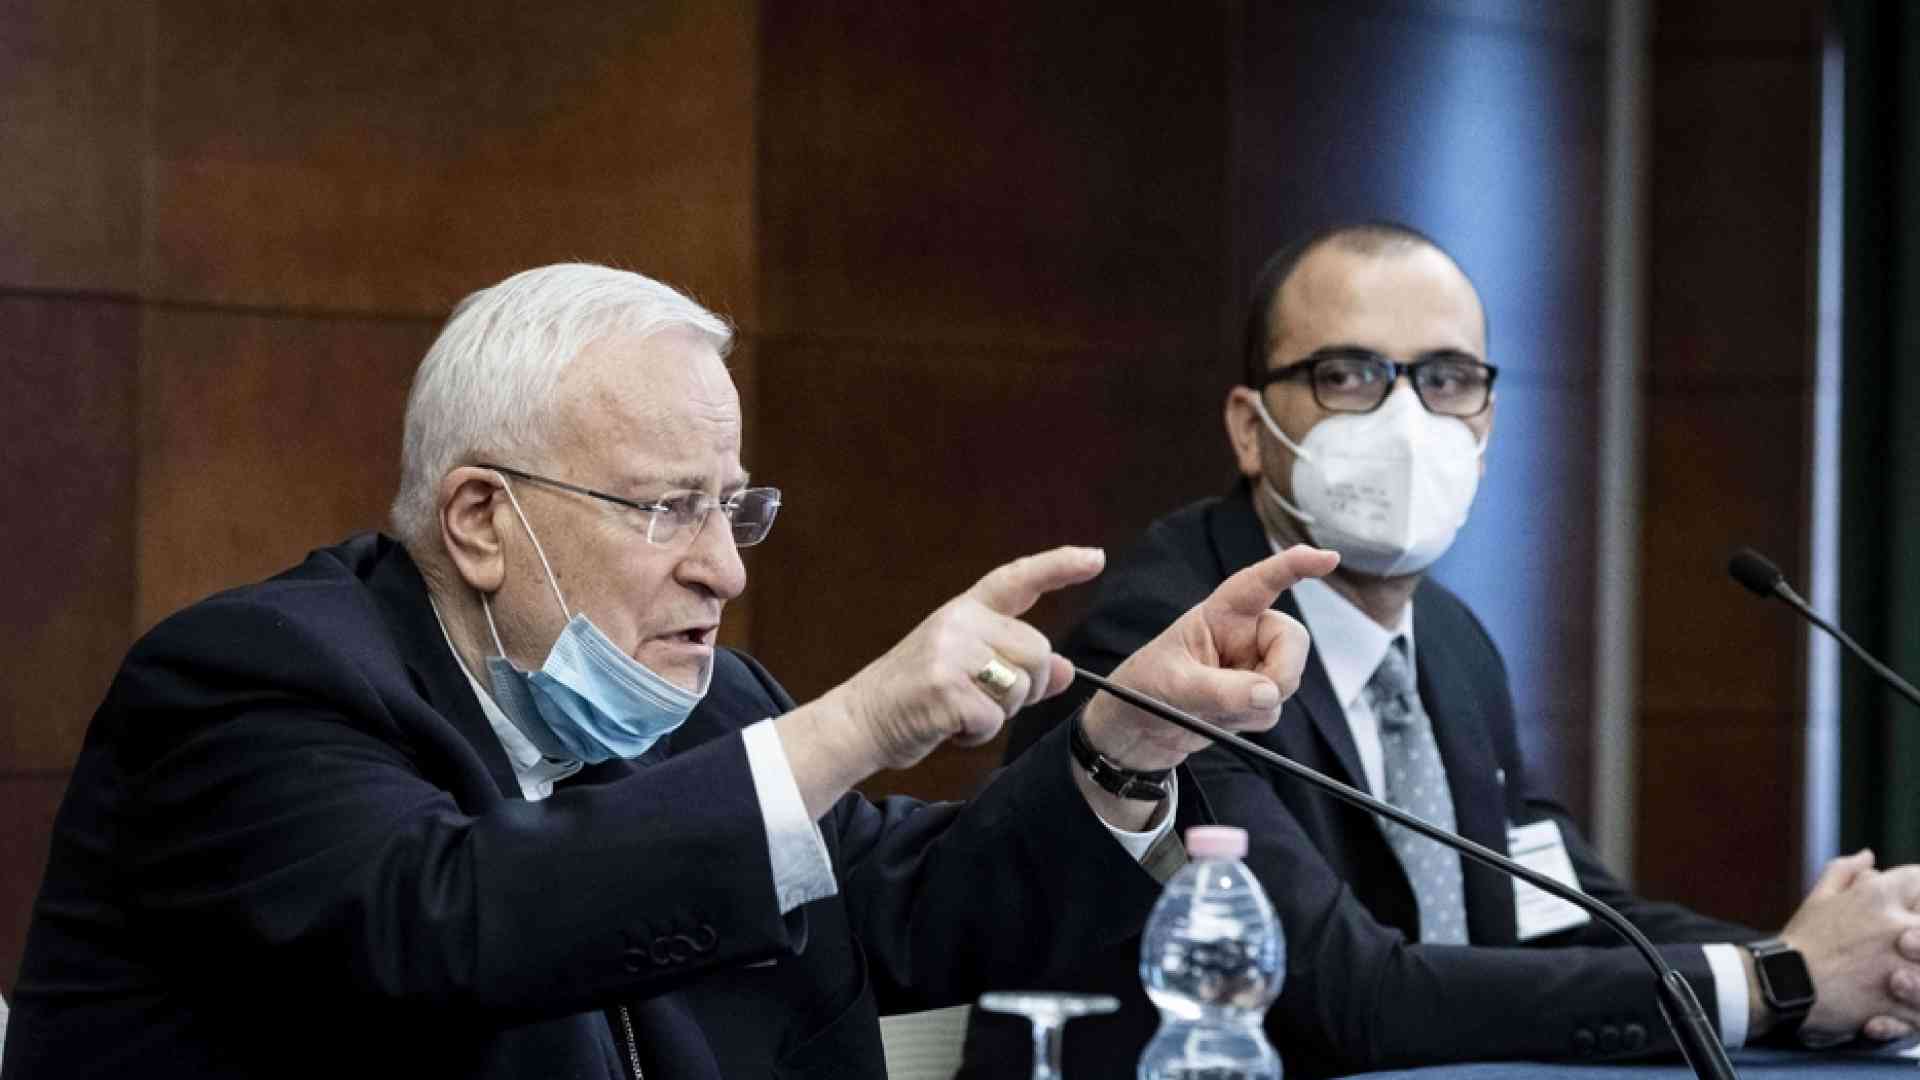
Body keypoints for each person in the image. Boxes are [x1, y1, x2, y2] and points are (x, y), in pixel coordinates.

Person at [1, 263, 1340, 1080]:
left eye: (733, 508)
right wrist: (863, 720)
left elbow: (929, 912)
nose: (724, 571)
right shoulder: (249, 686)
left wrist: (1122, 746)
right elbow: (452, 923)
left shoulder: (705, 711)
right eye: (667, 510)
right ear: (481, 521)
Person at [965, 222, 1920, 1078]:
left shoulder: (1452, 642)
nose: (1407, 423)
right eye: (1349, 376)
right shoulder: (1170, 635)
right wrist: (1779, 981)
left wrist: (1851, 968)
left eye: (1448, 379)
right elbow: (1346, 995)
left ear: (1486, 421)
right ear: (1251, 431)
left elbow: (1566, 914)